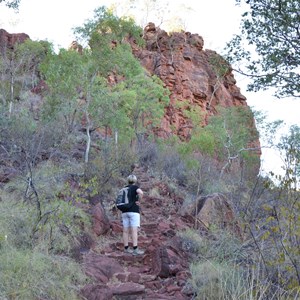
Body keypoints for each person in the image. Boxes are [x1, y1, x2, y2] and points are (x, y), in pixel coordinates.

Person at [121, 174, 144, 255]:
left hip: (124, 212)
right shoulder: (135, 187)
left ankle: (126, 248)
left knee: (125, 231)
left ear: (128, 180)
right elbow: (141, 192)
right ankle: (135, 249)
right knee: (134, 231)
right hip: (134, 211)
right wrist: (139, 200)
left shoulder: (124, 188)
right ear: (135, 180)